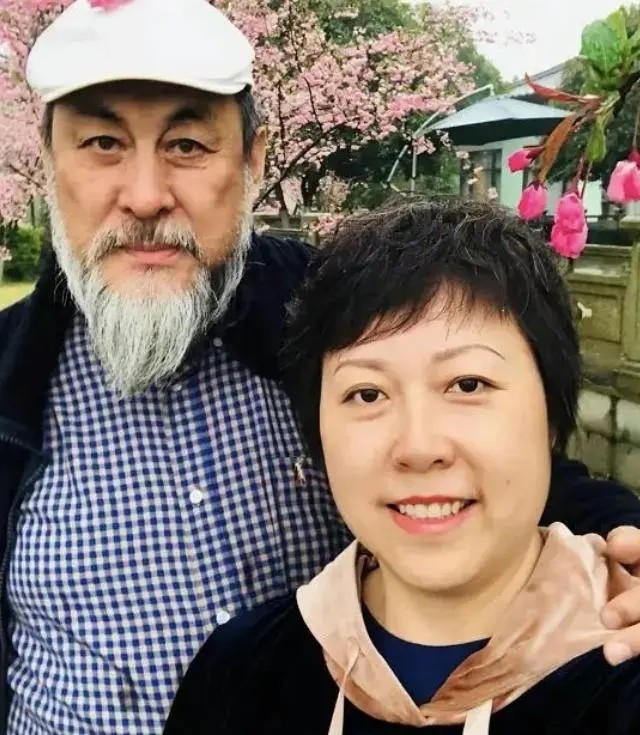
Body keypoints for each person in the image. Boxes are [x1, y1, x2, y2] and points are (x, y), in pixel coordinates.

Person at [0, 0, 639, 732]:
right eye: (102, 144)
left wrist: (626, 543)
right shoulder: (13, 378)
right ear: (49, 162)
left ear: (253, 160)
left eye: (187, 145)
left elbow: (506, 464)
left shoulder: (340, 315)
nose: (145, 196)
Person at [165, 199, 640, 735]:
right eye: (367, 393)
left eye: (468, 384)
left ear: (551, 415)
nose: (418, 446)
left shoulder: (622, 668)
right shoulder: (241, 674)